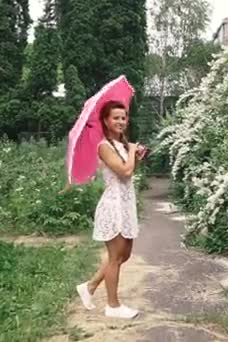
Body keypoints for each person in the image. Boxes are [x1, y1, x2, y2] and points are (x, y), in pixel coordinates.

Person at [76, 100, 147, 319]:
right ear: (106, 121)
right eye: (115, 118)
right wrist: (133, 150)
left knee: (124, 255)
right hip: (113, 206)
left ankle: (89, 286)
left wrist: (136, 157)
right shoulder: (104, 147)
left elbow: (130, 172)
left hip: (126, 205)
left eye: (123, 117)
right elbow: (124, 172)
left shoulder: (121, 145)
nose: (121, 121)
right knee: (115, 257)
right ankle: (113, 306)